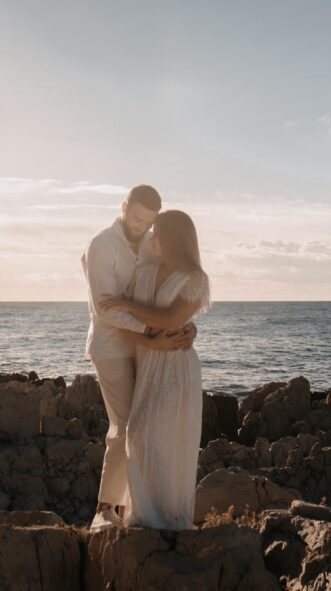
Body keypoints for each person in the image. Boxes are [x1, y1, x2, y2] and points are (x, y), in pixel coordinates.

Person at [80, 186, 197, 530]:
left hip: (148, 349)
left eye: (149, 222)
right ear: (124, 207)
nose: (141, 227)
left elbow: (164, 293)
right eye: (136, 219)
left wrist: (183, 327)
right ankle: (105, 510)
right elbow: (105, 308)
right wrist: (153, 332)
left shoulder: (149, 244)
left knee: (146, 423)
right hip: (112, 347)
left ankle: (141, 506)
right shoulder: (102, 246)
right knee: (125, 424)